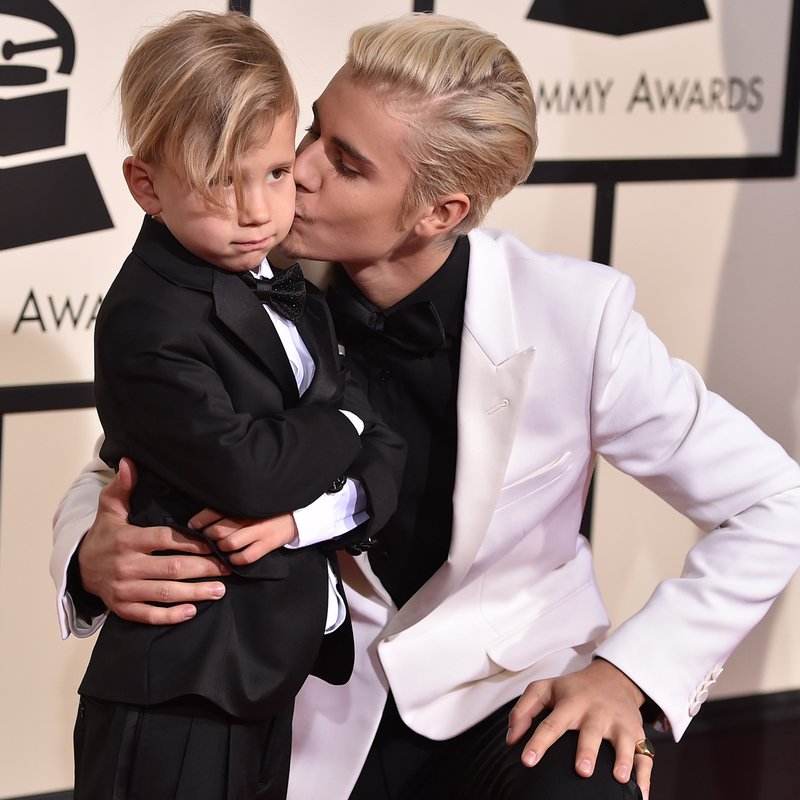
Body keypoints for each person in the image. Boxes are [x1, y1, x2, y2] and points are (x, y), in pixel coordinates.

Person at [52, 12, 800, 800]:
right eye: (312, 132)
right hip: (310, 700)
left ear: (438, 211)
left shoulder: (576, 318)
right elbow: (122, 461)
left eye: (343, 162)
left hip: (510, 693)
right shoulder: (239, 274)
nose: (295, 170)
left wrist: (630, 673)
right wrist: (88, 561)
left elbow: (772, 501)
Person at [65, 10, 404, 800]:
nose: (258, 209)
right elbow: (252, 476)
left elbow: (385, 449)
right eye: (223, 178)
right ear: (146, 184)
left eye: (276, 172)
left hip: (259, 676)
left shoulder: (279, 278)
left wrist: (330, 464)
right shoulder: (150, 318)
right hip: (180, 687)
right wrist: (344, 424)